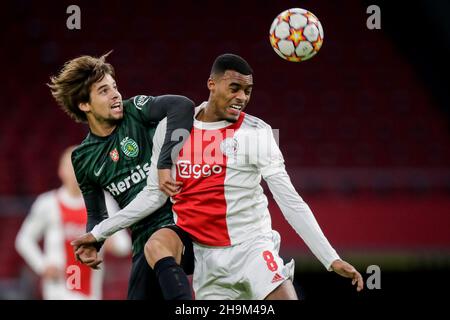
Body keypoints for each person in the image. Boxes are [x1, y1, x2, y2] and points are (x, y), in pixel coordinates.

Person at [72, 53, 364, 300]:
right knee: (154, 242)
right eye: (234, 87)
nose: (241, 97)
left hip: (252, 248)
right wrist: (98, 234)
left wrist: (330, 258)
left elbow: (290, 201)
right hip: (207, 262)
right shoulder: (172, 131)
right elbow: (153, 195)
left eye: (247, 91)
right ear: (212, 84)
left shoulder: (257, 134)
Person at [47, 51, 195, 300]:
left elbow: (182, 106)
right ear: (84, 105)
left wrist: (164, 163)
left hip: (180, 223)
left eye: (114, 87)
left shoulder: (135, 111)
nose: (116, 94)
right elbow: (97, 214)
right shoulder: (82, 158)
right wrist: (94, 243)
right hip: (142, 238)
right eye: (104, 91)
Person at [15, 146, 131, 300]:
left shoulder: (104, 202)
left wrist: (112, 242)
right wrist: (42, 266)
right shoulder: (47, 203)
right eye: (71, 166)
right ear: (60, 171)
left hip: (91, 293)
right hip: (57, 292)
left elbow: (125, 244)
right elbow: (23, 240)